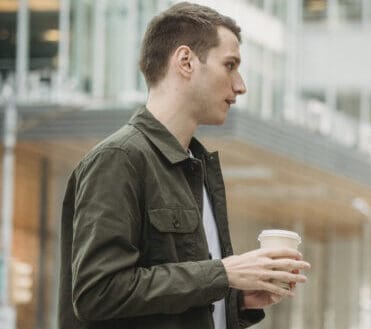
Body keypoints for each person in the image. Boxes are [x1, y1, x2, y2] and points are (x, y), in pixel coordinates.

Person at [58, 3, 310, 329]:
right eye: (230, 65)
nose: (240, 85)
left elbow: (178, 300)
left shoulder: (196, 167)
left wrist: (237, 296)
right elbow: (97, 291)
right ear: (186, 61)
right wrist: (222, 274)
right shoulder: (120, 159)